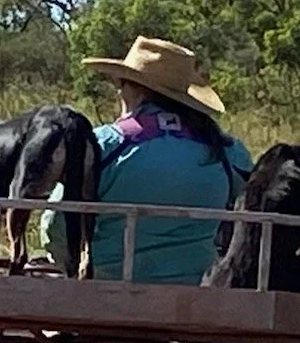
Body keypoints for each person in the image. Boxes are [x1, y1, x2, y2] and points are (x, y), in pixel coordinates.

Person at [43, 37, 252, 283]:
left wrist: (65, 260)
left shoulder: (101, 145)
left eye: (121, 84)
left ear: (135, 89)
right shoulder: (227, 152)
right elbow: (248, 212)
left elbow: (56, 223)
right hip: (197, 295)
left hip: (106, 293)